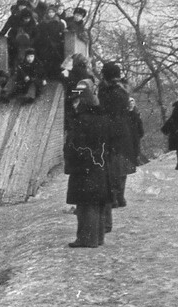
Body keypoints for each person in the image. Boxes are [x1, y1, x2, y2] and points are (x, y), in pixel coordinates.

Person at [64, 79, 112, 248]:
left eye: (76, 101)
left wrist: (73, 162)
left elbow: (77, 145)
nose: (74, 105)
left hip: (84, 166)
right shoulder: (100, 116)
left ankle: (86, 238)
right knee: (96, 202)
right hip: (98, 165)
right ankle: (97, 237)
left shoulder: (82, 119)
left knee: (85, 204)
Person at [98, 62, 135, 209]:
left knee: (111, 164)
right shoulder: (122, 91)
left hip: (109, 130)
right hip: (124, 130)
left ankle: (113, 197)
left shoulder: (107, 92)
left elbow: (103, 109)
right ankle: (120, 196)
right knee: (121, 164)